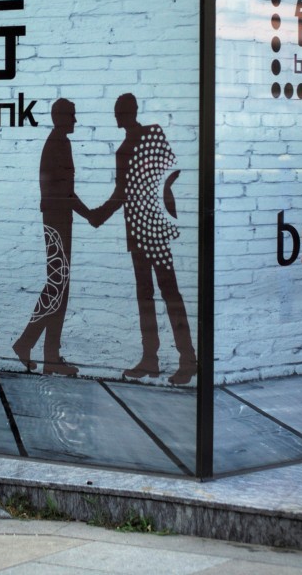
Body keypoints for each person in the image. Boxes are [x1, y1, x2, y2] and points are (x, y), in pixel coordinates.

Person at [88, 93, 197, 385]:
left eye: (118, 112)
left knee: (163, 293)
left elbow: (165, 175)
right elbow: (132, 190)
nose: (118, 118)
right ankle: (154, 358)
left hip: (148, 228)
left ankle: (186, 359)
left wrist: (100, 214)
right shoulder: (135, 144)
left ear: (123, 115)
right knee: (151, 294)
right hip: (143, 229)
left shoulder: (143, 140)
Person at [12, 98, 96, 375]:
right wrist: (90, 214)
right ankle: (27, 344)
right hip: (58, 220)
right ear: (60, 117)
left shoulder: (58, 141)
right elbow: (64, 191)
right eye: (72, 115)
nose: (75, 120)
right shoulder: (59, 143)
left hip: (59, 219)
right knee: (57, 285)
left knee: (59, 286)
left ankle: (49, 356)